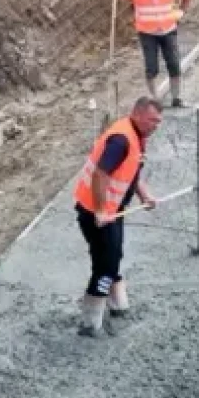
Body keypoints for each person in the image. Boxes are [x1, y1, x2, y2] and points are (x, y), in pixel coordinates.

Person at [73, 97, 162, 337]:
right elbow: (101, 175)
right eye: (153, 120)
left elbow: (133, 172)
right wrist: (102, 209)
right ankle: (90, 322)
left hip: (113, 211)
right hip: (96, 212)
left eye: (159, 122)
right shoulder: (121, 139)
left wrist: (144, 195)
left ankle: (115, 302)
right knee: (106, 264)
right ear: (138, 114)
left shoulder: (137, 137)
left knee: (112, 255)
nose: (156, 126)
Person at [123, 0, 192, 107]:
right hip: (147, 32)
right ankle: (155, 99)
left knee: (174, 64)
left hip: (168, 29)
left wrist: (182, 11)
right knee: (151, 67)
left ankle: (176, 98)